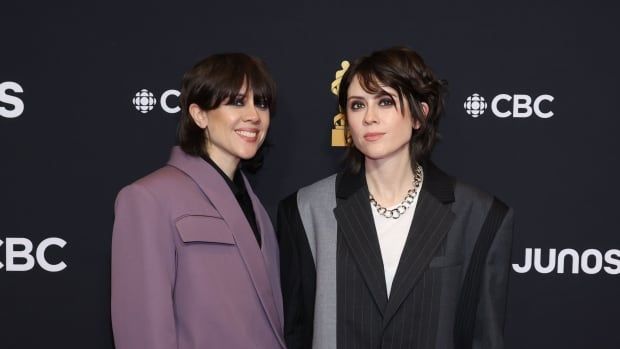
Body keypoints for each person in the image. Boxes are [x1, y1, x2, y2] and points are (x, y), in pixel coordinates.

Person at [277, 47, 514, 349]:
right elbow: (295, 333)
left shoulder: (480, 215)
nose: (370, 118)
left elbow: (485, 338)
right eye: (357, 105)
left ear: (419, 115)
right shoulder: (305, 210)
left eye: (385, 102)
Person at [111, 53, 286, 349]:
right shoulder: (148, 197)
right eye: (237, 102)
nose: (254, 115)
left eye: (262, 103)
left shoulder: (255, 206)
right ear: (199, 114)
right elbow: (142, 331)